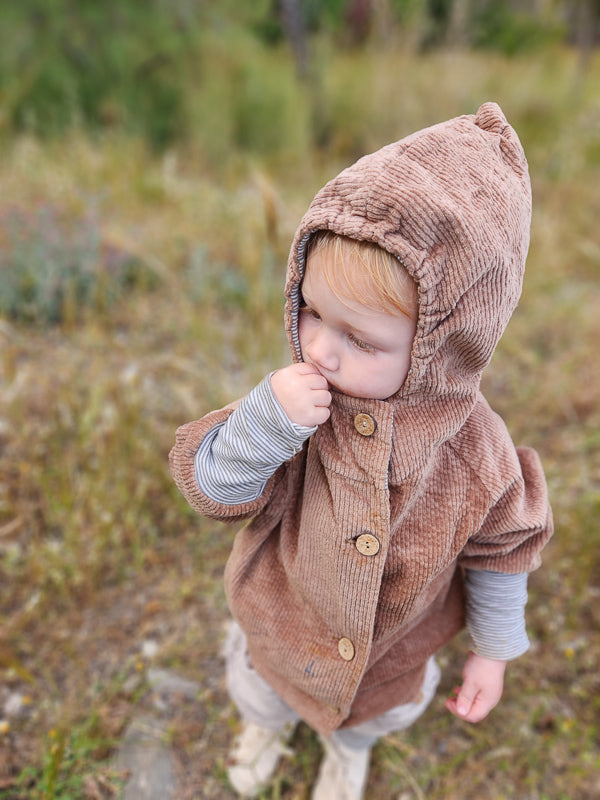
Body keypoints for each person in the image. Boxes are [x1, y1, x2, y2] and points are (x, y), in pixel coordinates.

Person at [169, 102, 553, 799]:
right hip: (282, 625)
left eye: (362, 339)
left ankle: (346, 753)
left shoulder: (477, 457)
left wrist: (493, 652)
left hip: (389, 657)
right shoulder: (292, 407)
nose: (320, 347)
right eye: (312, 311)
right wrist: (263, 427)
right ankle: (267, 723)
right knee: (261, 688)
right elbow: (214, 491)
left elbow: (504, 550)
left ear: (444, 346)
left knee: (369, 716)